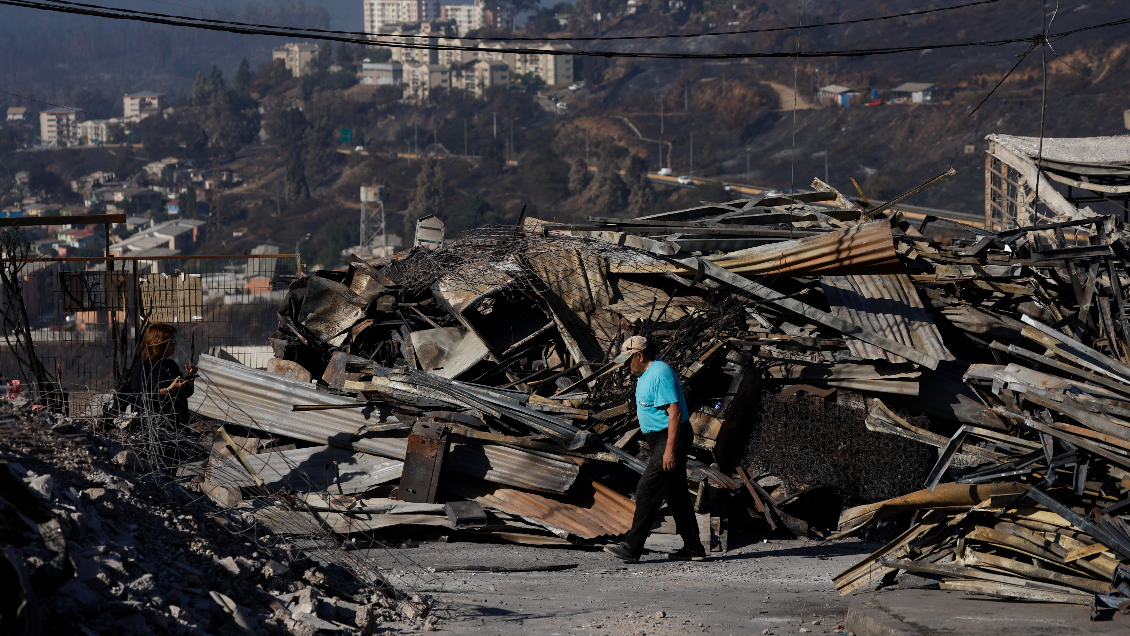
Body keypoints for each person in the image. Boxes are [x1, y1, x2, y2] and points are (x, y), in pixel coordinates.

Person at [604, 335, 705, 563]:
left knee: (647, 489)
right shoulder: (646, 374)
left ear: (639, 356)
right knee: (676, 494)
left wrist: (669, 450)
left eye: (628, 360)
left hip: (671, 437)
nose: (626, 366)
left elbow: (675, 413)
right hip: (660, 438)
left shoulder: (659, 374)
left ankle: (632, 547)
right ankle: (694, 549)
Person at [130, 323, 196, 428]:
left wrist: (189, 378)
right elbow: (141, 397)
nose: (175, 344)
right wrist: (168, 390)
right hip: (156, 426)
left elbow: (185, 393)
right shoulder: (143, 367)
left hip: (178, 424)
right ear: (158, 344)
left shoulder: (171, 365)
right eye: (171, 341)